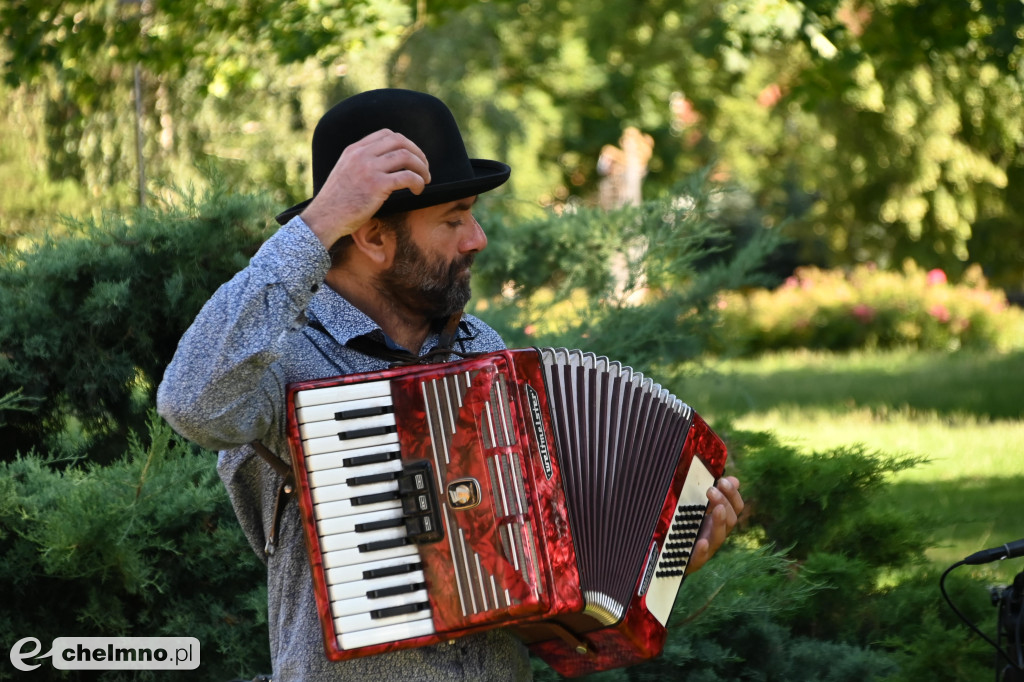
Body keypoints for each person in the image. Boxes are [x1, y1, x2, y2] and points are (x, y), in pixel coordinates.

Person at [157, 88, 744, 682]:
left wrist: (654, 568)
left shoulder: (484, 354)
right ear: (373, 236)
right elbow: (192, 403)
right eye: (453, 218)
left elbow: (545, 599)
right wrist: (320, 222)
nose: (477, 238)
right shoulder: (277, 354)